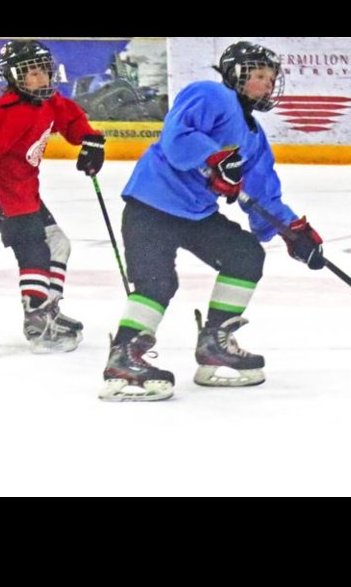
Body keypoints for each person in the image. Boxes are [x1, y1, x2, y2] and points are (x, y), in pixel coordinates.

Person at [99, 41, 325, 402]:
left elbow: (263, 195)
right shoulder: (210, 94)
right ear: (237, 74)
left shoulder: (255, 138)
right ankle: (123, 357)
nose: (268, 84)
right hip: (151, 205)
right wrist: (213, 157)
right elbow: (177, 136)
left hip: (195, 214)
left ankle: (214, 341)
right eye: (260, 76)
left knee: (245, 254)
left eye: (271, 78)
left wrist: (293, 231)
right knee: (157, 283)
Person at [0, 40, 106, 353]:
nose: (41, 79)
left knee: (58, 244)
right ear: (15, 76)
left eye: (44, 71)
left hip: (29, 195)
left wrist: (90, 140)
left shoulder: (49, 101)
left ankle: (48, 308)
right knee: (35, 255)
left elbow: (72, 117)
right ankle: (36, 319)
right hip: (6, 199)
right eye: (32, 73)